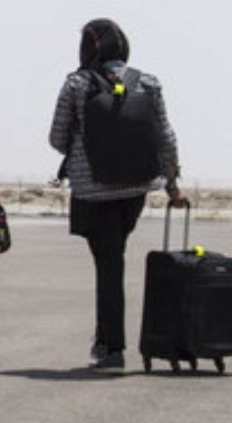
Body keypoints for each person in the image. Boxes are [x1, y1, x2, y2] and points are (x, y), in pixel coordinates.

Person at [49, 18, 184, 372]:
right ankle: (106, 340)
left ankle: (111, 346)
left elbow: (57, 137)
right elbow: (166, 136)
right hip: (136, 187)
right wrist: (172, 182)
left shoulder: (77, 84)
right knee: (114, 258)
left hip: (94, 191)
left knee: (109, 265)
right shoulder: (148, 83)